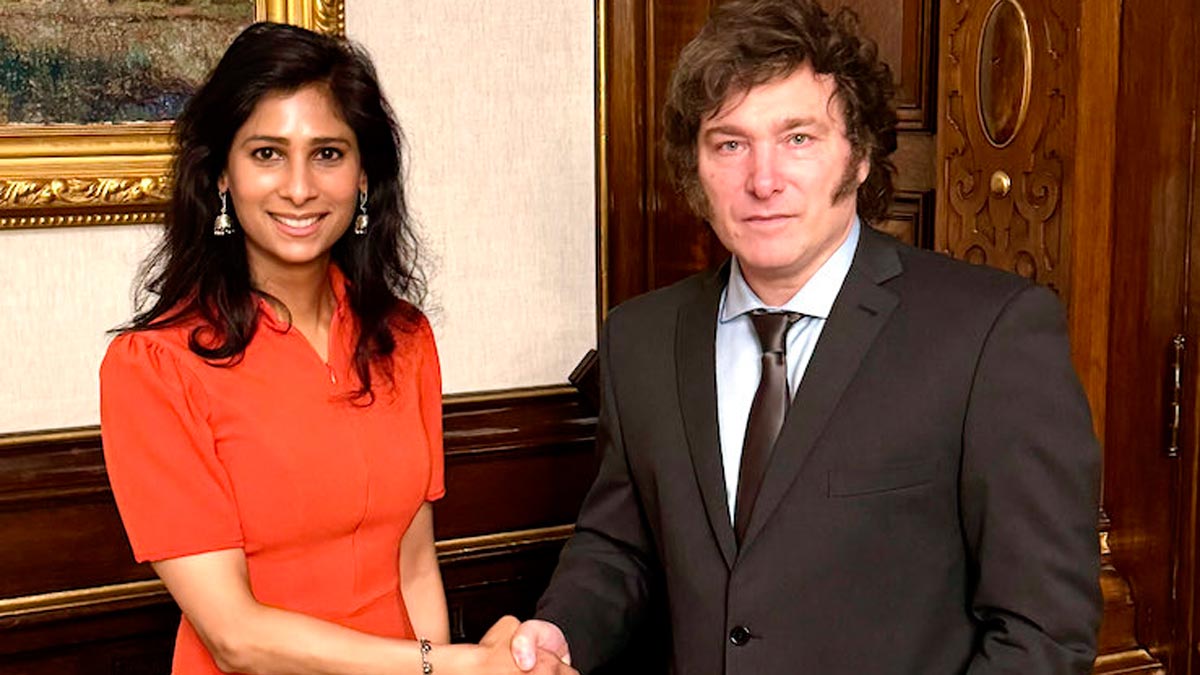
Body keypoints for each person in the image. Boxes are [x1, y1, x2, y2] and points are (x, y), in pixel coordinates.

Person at [506, 1, 1102, 673]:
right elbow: (622, 547)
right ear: (696, 168)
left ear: (861, 154)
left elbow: (1042, 632)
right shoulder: (639, 339)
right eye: (730, 144)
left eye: (798, 138)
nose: (763, 181)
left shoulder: (990, 333)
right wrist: (562, 630)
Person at [99, 22, 572, 675]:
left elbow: (413, 568)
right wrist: (457, 666)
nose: (300, 188)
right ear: (222, 175)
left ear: (365, 175)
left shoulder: (404, 338)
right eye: (267, 153)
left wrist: (449, 668)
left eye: (327, 153)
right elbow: (235, 638)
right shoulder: (157, 366)